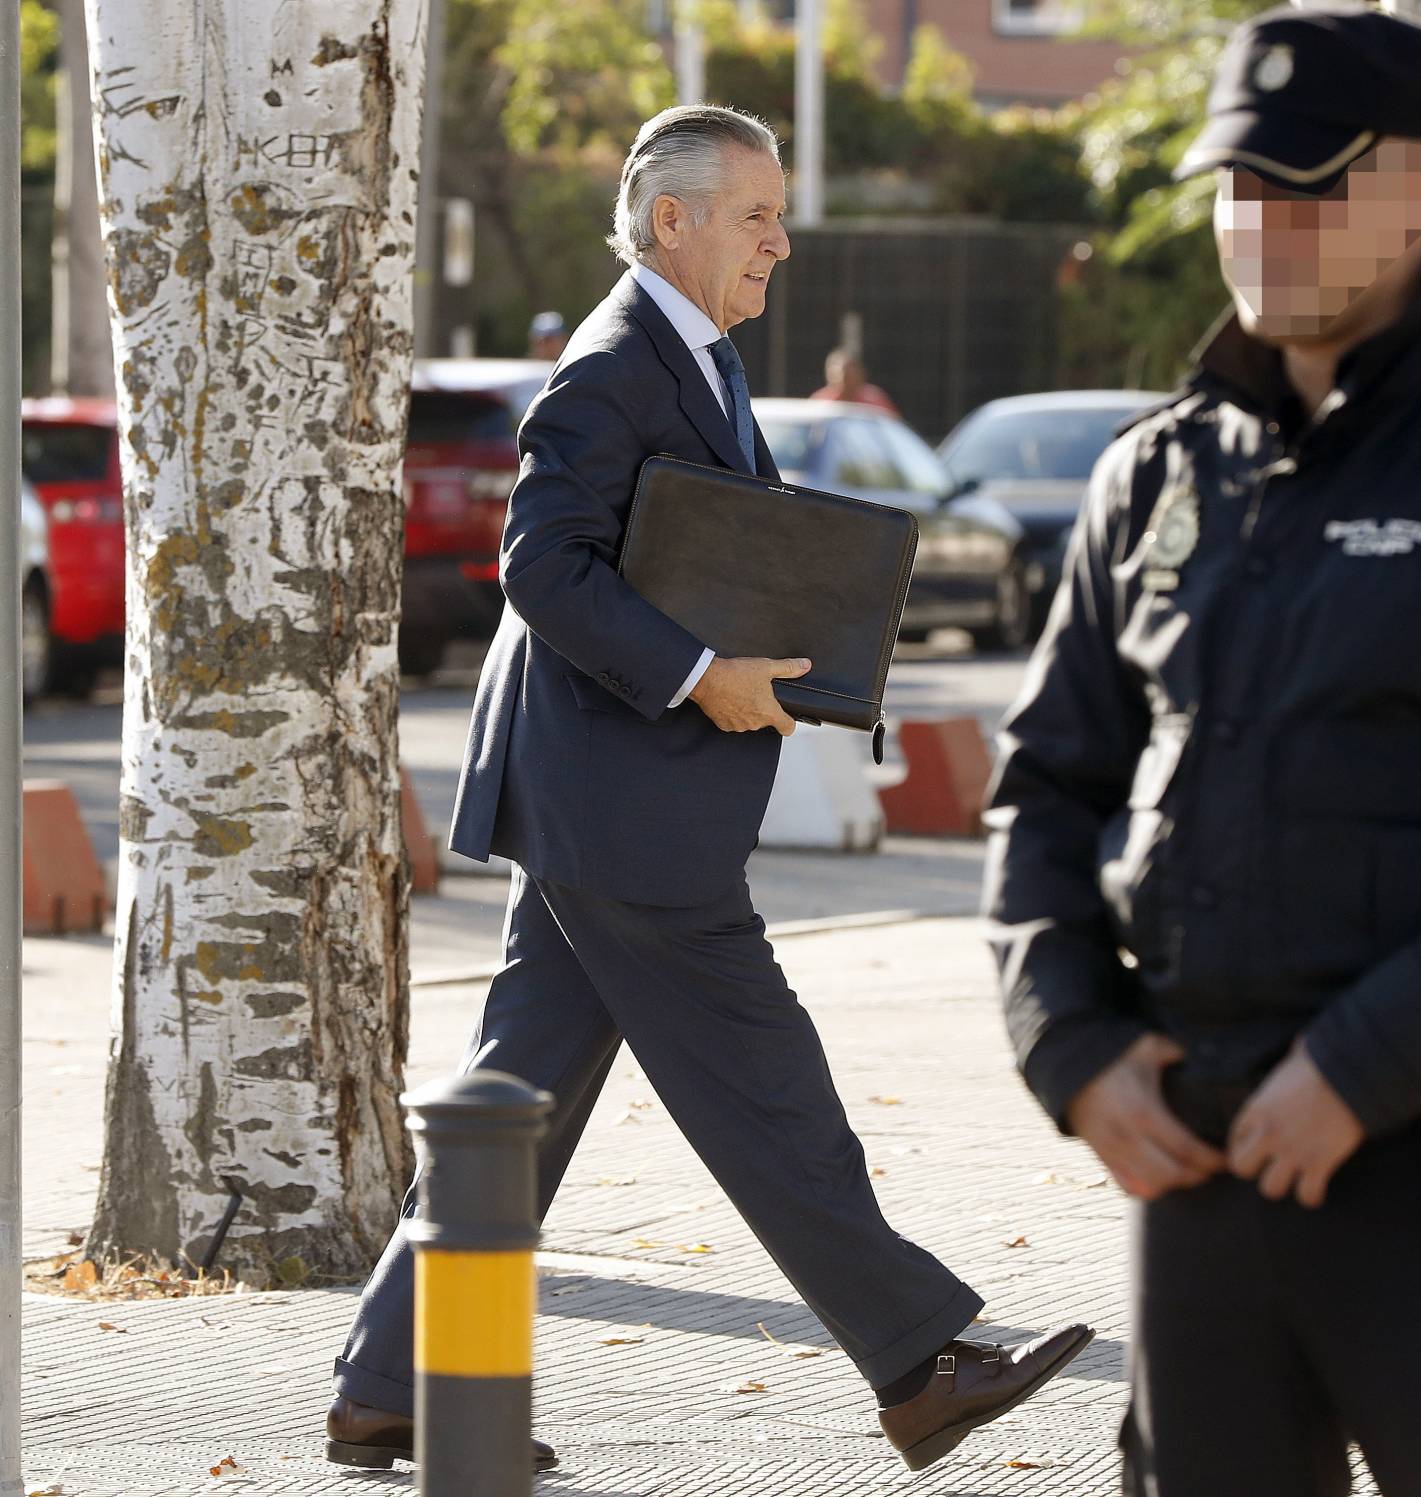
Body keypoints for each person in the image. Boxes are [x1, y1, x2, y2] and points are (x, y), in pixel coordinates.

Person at [982, 10, 1421, 1496]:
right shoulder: (1154, 478)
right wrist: (1074, 1043)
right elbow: (1046, 790)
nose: (1267, 225)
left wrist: (1358, 1073)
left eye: (1314, 187)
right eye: (1245, 184)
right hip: (1198, 1164)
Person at [326, 104, 1090, 1476]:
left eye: (779, 216)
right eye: (757, 215)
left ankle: (390, 1386)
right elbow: (540, 568)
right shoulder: (614, 365)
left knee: (520, 1099)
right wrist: (699, 676)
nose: (781, 244)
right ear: (669, 220)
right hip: (620, 812)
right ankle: (919, 1363)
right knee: (766, 1082)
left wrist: (823, 658)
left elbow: (708, 545)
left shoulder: (698, 359)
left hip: (603, 804)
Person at [810, 346, 898, 414]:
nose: (845, 380)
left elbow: (893, 428)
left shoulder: (874, 401)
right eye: (842, 374)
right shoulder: (821, 403)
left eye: (849, 374)